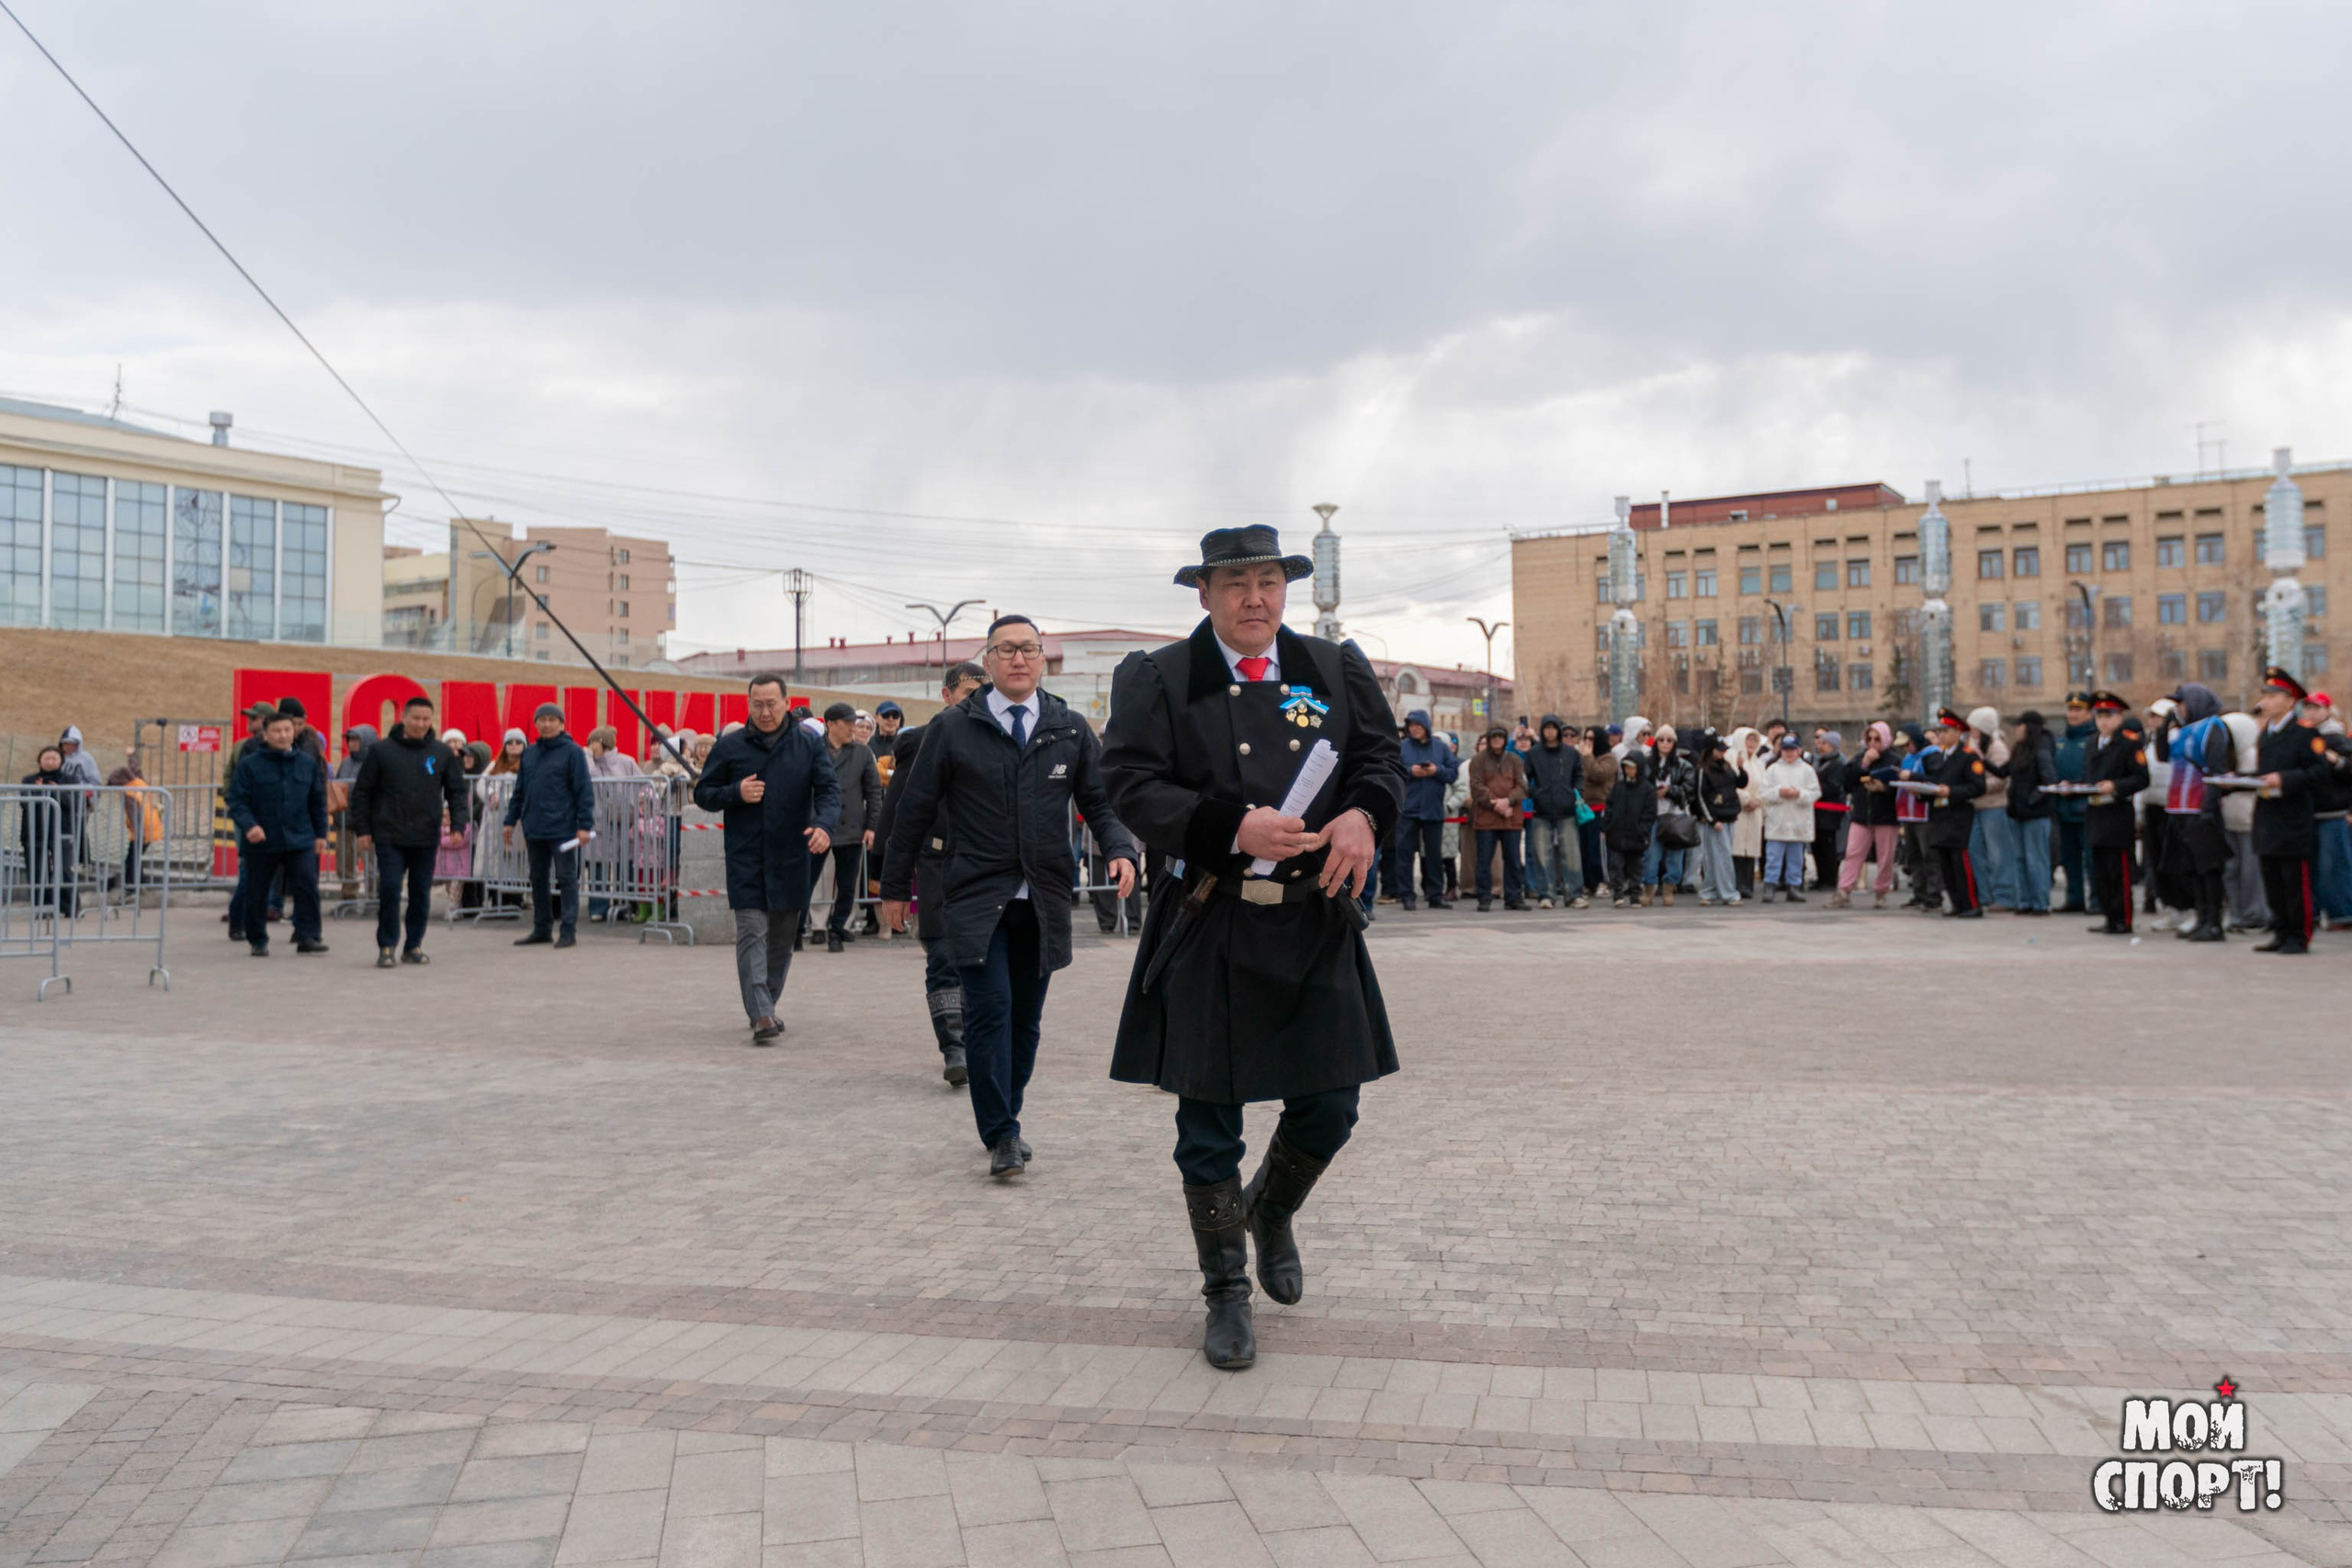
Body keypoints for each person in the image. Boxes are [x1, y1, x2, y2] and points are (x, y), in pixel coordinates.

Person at [1097, 527, 1396, 1371]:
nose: (1255, 598)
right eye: (1236, 585)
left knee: (1333, 1103)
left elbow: (1379, 760)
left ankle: (1271, 1210)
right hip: (1211, 916)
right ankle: (1225, 1290)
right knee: (1208, 1124)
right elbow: (1130, 781)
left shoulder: (1335, 668)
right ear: (1205, 594)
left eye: (1268, 581)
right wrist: (1229, 826)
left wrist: (1363, 814)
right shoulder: (1157, 677)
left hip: (1313, 918)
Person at [884, 613, 1136, 1177]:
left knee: (1025, 1019)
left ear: (1043, 658)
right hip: (975, 895)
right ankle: (1001, 1132)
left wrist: (1120, 848)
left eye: (1028, 648)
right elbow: (913, 812)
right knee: (989, 1013)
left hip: (1043, 896)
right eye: (1006, 649)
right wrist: (894, 888)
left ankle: (1008, 1117)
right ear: (989, 660)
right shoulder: (954, 728)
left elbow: (1098, 802)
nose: (1018, 658)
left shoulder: (1068, 727)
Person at [695, 675, 842, 1042]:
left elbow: (828, 790)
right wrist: (736, 792)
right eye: (757, 704)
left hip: (792, 855)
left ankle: (766, 1004)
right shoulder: (730, 747)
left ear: (787, 702)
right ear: (748, 705)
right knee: (751, 932)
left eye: (771, 703)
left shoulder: (808, 744)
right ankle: (761, 1013)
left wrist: (823, 825)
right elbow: (704, 793)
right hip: (746, 857)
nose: (764, 711)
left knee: (781, 937)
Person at [876, 662, 987, 1083]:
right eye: (965, 692)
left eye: (981, 691)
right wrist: (890, 882)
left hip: (988, 870)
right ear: (946, 695)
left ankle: (981, 1043)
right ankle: (954, 1047)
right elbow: (897, 816)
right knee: (943, 958)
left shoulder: (1004, 738)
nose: (973, 700)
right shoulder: (921, 741)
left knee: (984, 962)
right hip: (938, 865)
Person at [349, 694, 469, 967]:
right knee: (390, 889)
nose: (420, 724)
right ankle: (387, 946)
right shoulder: (381, 751)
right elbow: (362, 793)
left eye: (426, 719)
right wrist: (363, 830)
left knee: (420, 892)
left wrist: (458, 825)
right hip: (389, 833)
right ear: (403, 718)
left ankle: (413, 945)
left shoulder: (440, 753)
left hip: (425, 835)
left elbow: (456, 792)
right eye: (415, 718)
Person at [224, 708, 328, 955]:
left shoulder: (306, 763)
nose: (283, 735)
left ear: (294, 732)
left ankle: (308, 936)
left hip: (299, 836)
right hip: (262, 838)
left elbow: (317, 800)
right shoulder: (250, 765)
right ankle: (258, 939)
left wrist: (320, 834)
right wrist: (250, 825)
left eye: (287, 730)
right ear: (266, 735)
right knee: (257, 890)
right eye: (277, 731)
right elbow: (237, 800)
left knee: (307, 885)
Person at [2247, 667, 2332, 954]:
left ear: (2289, 700)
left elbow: (2320, 772)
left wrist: (2285, 779)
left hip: (2293, 818)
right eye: (2265, 695)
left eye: (2272, 696)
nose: (2265, 702)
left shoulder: (2304, 733)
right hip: (2268, 816)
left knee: (2294, 881)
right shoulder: (2266, 734)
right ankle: (2280, 931)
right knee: (2272, 879)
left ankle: (2298, 935)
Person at [503, 703, 595, 949]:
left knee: (566, 879)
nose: (546, 724)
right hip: (535, 827)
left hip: (563, 829)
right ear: (536, 723)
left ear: (561, 724)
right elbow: (520, 790)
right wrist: (510, 821)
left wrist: (585, 825)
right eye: (541, 720)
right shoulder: (530, 753)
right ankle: (542, 929)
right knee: (538, 878)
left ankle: (568, 931)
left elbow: (583, 789)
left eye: (551, 720)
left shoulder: (573, 752)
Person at [799, 702, 884, 953]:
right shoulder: (812, 750)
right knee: (807, 881)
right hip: (818, 828)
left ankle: (837, 930)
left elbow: (874, 791)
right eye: (847, 724)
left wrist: (872, 827)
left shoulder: (862, 753)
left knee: (847, 885)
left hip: (851, 827)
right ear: (831, 724)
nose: (852, 728)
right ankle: (797, 930)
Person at [2154, 684, 2233, 943]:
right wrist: (2163, 729)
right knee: (2190, 868)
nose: (2179, 709)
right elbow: (2163, 756)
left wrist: (2208, 808)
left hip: (2201, 808)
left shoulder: (2213, 728)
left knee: (2208, 869)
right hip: (2179, 807)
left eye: (2182, 703)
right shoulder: (2183, 731)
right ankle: (2201, 916)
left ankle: (2213, 922)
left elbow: (2217, 770)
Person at [2081, 691, 2151, 935]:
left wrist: (2116, 786)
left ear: (2119, 716)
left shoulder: (2129, 742)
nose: (2103, 721)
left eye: (2109, 715)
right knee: (2099, 869)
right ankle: (2109, 916)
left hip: (2117, 812)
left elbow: (2142, 778)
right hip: (2096, 811)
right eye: (2099, 715)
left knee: (2118, 870)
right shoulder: (2092, 742)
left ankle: (2124, 918)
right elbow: (2089, 775)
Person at [1918, 708, 1987, 916]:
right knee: (1945, 862)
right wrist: (1920, 791)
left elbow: (1978, 787)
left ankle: (1971, 904)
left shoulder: (1967, 757)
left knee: (1960, 861)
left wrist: (1952, 792)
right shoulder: (1941, 756)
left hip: (1958, 815)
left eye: (1946, 731)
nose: (1941, 735)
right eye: (1939, 731)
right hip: (1940, 816)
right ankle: (1957, 903)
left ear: (1957, 733)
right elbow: (1936, 783)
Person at [1829, 722, 1900, 908]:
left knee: (1885, 857)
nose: (1873, 743)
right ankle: (1844, 890)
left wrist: (1884, 788)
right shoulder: (1860, 757)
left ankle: (1881, 892)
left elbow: (1901, 789)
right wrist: (1864, 764)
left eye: (1877, 739)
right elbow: (1847, 781)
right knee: (1853, 853)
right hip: (1861, 815)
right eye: (1869, 739)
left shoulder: (1894, 760)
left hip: (1885, 816)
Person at [1392, 711, 1456, 909]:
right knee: (1404, 854)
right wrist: (1411, 771)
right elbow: (1392, 770)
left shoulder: (1441, 748)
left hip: (1433, 809)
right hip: (1409, 809)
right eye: (1411, 726)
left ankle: (1435, 895)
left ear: (1426, 726)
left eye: (1418, 725)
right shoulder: (1402, 747)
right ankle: (1407, 896)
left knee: (1434, 856)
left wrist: (1437, 770)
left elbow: (1453, 773)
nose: (1414, 729)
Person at [1521, 716, 1584, 910]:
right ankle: (1546, 894)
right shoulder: (1534, 754)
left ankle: (1574, 894)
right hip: (1542, 810)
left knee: (1571, 853)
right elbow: (1524, 778)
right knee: (1542, 854)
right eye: (1546, 728)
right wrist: (1535, 794)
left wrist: (1575, 794)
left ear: (1558, 730)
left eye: (1553, 728)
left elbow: (1579, 776)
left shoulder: (1571, 753)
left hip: (1567, 809)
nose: (1550, 732)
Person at [1466, 727, 1528, 911]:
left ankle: (1514, 896)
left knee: (1513, 860)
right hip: (1486, 818)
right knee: (1484, 860)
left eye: (1501, 736)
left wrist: (1508, 800)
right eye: (1494, 736)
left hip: (1511, 818)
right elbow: (1477, 787)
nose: (1497, 740)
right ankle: (1484, 897)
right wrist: (1496, 805)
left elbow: (1522, 787)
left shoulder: (1515, 760)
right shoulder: (1478, 760)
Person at [17, 745, 83, 918]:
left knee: (64, 870)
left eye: (54, 758)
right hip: (34, 833)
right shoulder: (29, 780)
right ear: (40, 760)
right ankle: (42, 908)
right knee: (37, 872)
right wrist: (37, 791)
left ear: (61, 760)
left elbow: (74, 803)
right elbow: (23, 801)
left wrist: (56, 792)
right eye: (46, 758)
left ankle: (70, 907)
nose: (50, 761)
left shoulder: (70, 780)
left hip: (62, 832)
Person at [2306, 691, 2352, 929]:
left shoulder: (2336, 738)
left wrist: (2337, 761)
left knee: (2333, 866)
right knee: (2312, 866)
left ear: (2327, 710)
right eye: (2307, 708)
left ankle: (2341, 914)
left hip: (2333, 811)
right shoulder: (2306, 736)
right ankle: (2312, 912)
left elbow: (2350, 768)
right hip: (2310, 811)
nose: (2310, 712)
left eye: (2315, 708)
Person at [1757, 734, 1822, 902]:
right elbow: (1764, 792)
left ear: (1799, 750)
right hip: (1778, 821)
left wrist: (1799, 793)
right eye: (1786, 750)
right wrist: (1779, 792)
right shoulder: (1773, 770)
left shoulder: (1807, 770)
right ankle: (1770, 886)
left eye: (1792, 749)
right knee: (1773, 858)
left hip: (1798, 820)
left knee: (1796, 859)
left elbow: (1815, 792)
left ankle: (1794, 886)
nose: (1789, 753)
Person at [2005, 711, 2058, 914]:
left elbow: (2049, 781)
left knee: (2036, 859)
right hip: (2017, 813)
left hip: (2036, 814)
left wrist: (2031, 799)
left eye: (2020, 725)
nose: (2017, 729)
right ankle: (2025, 900)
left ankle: (2040, 902)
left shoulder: (2041, 750)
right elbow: (2005, 771)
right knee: (2019, 858)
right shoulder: (2018, 750)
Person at [2052, 692, 2098, 913]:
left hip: (2087, 807)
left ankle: (2097, 899)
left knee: (2091, 858)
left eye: (2078, 710)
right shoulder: (2061, 740)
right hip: (2064, 807)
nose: (2073, 714)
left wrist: (2076, 785)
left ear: (2089, 713)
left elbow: (2095, 772)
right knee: (2069, 858)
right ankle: (2075, 898)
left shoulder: (2094, 738)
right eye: (2071, 709)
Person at [1965, 707, 2016, 910]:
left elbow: (2002, 779)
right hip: (1975, 805)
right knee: (1974, 850)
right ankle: (1984, 894)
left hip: (1994, 806)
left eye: (1974, 728)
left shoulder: (1998, 748)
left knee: (1998, 853)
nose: (1971, 732)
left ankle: (2005, 896)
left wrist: (1978, 787)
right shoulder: (1972, 746)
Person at [1693, 733, 1745, 906]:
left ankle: (1709, 890)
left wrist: (1741, 770)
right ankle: (1729, 893)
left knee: (1718, 856)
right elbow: (1700, 796)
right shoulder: (1703, 770)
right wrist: (1711, 819)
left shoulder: (1727, 766)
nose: (1723, 753)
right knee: (1721, 857)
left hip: (1730, 815)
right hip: (1716, 819)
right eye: (1719, 750)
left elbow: (1739, 784)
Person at [1602, 750, 1656, 906]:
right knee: (1616, 866)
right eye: (1626, 767)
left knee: (1635, 868)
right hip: (1617, 834)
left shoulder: (1647, 789)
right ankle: (1618, 894)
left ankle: (1635, 895)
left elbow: (1650, 813)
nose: (1629, 771)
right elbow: (1610, 807)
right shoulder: (1618, 787)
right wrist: (1607, 826)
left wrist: (1643, 830)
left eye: (1632, 767)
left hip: (1636, 836)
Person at [1577, 726, 1613, 898]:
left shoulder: (1609, 758)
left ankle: (1602, 881)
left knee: (1597, 848)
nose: (1589, 743)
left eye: (1592, 739)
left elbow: (1599, 776)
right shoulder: (1583, 758)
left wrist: (1587, 757)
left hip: (1600, 808)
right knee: (1583, 847)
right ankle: (1587, 882)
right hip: (1583, 808)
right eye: (1587, 739)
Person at [1809, 730, 1847, 891]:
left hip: (1830, 811)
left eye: (1825, 744)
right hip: (1817, 812)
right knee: (1817, 846)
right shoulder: (1818, 762)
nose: (1821, 746)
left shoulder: (1838, 763)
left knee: (1828, 847)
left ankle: (1830, 879)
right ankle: (1821, 877)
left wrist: (1814, 789)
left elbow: (1834, 786)